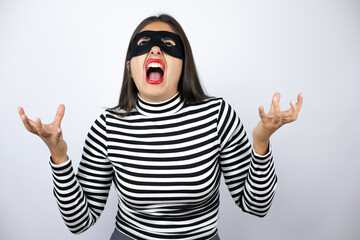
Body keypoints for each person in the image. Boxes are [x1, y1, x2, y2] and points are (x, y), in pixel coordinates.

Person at [18, 14, 303, 240]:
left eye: (168, 45)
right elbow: (79, 222)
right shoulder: (108, 126)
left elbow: (257, 206)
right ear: (130, 66)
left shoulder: (217, 115)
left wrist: (261, 141)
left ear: (182, 64)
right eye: (144, 45)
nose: (155, 48)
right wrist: (58, 154)